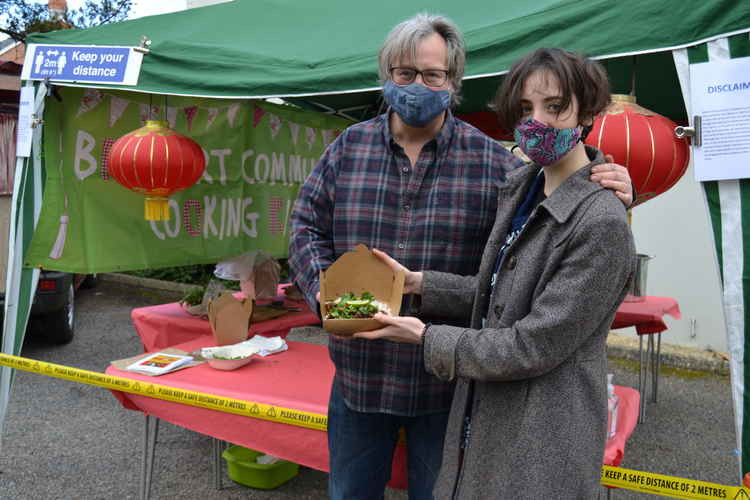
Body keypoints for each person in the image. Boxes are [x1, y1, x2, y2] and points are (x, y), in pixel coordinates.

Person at [288, 14, 632, 500]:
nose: (417, 86)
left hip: (448, 386)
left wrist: (609, 183)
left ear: (453, 82)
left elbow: (554, 219)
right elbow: (304, 222)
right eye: (405, 74)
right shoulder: (349, 147)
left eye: (432, 75)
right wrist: (323, 289)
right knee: (351, 492)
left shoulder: (498, 166)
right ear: (387, 76)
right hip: (361, 372)